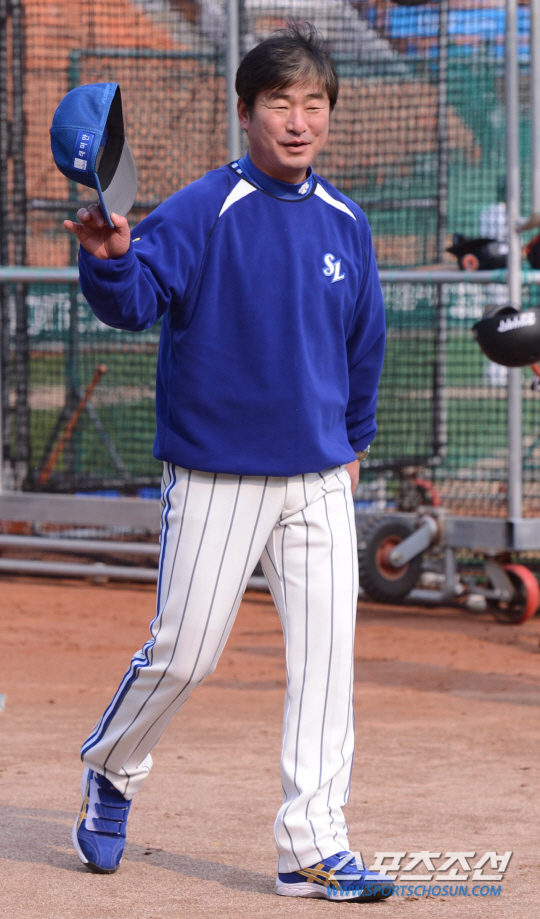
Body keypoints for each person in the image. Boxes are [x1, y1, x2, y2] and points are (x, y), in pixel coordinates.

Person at [65, 23, 391, 902]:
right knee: (184, 654)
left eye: (314, 103)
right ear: (245, 112)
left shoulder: (346, 220)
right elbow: (134, 302)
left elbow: (364, 343)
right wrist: (108, 261)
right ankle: (112, 767)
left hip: (320, 477)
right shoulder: (204, 206)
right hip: (217, 474)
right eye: (280, 103)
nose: (299, 120)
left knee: (326, 665)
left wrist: (355, 443)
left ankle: (313, 846)